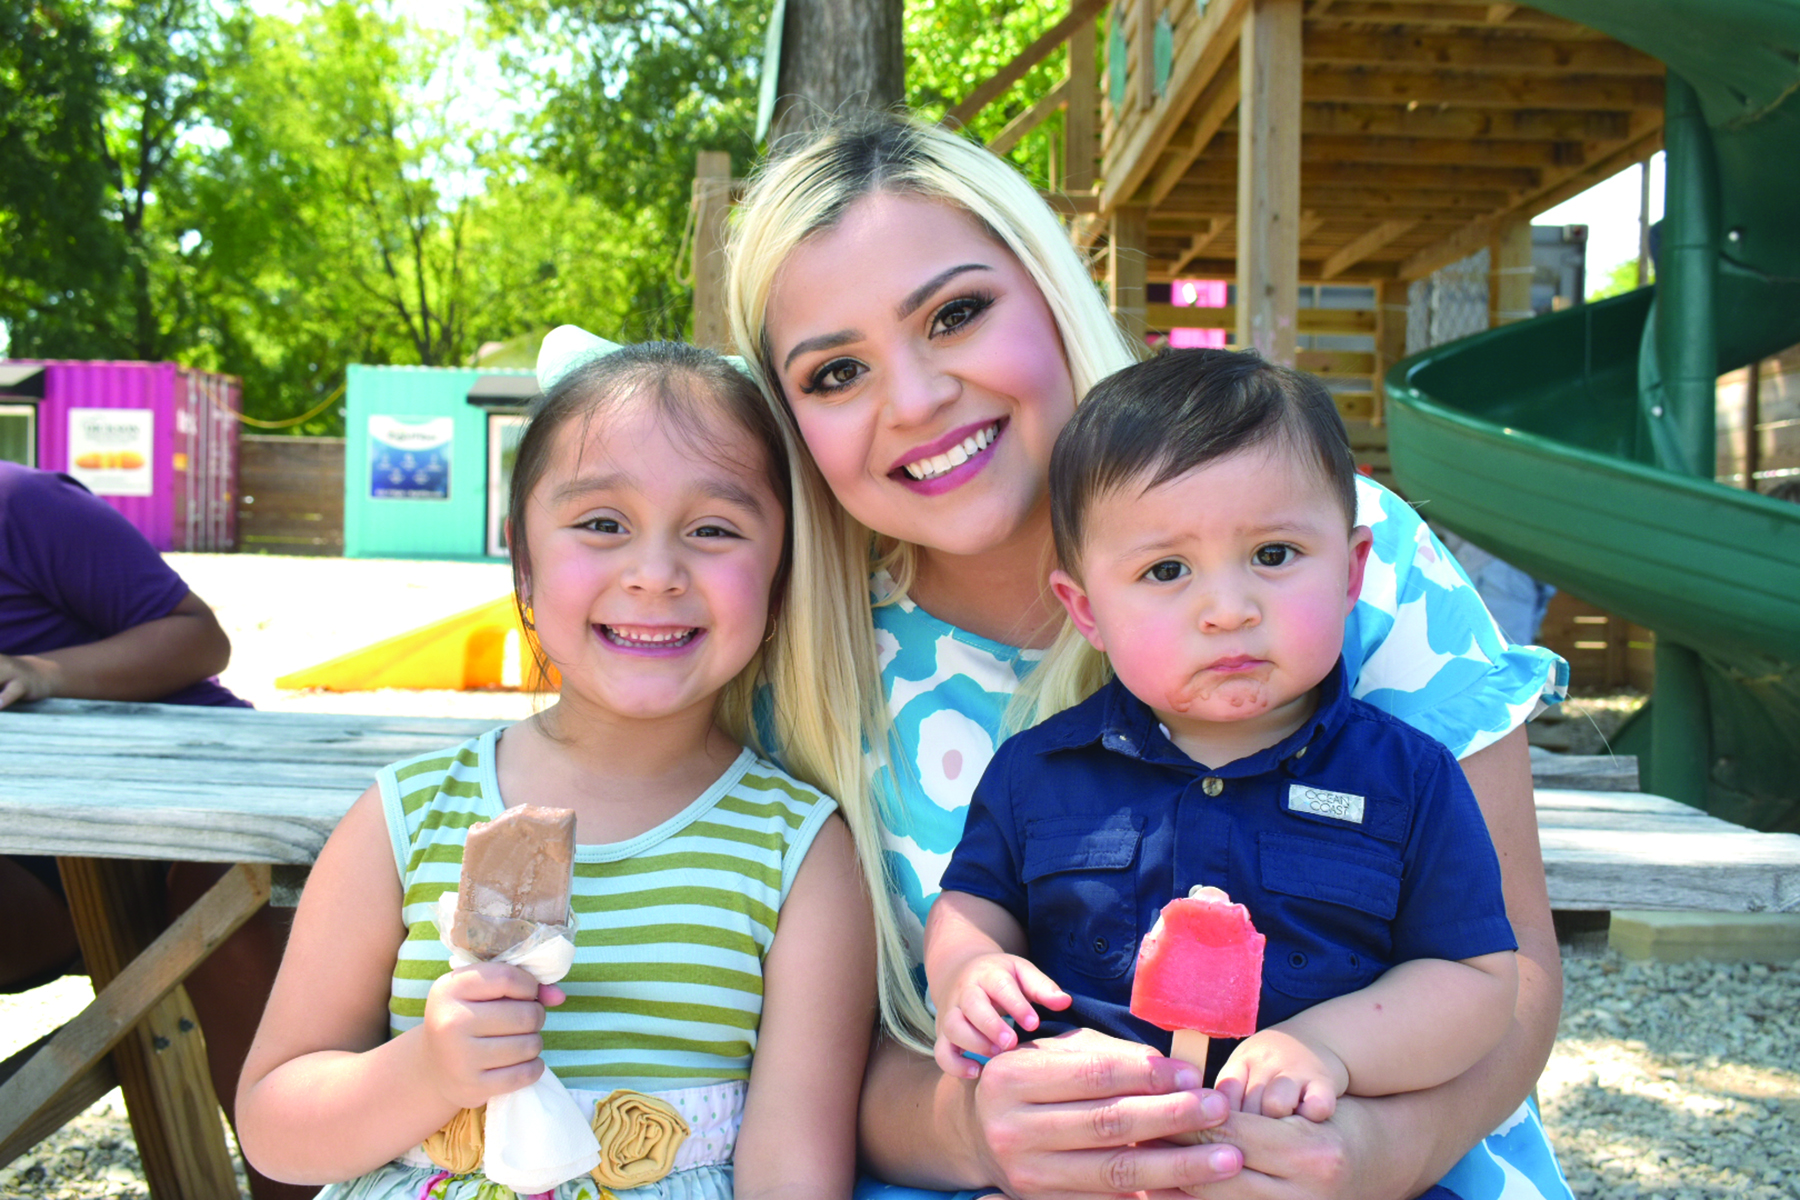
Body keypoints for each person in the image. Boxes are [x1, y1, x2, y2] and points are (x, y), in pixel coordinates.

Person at [721, 110, 1574, 1200]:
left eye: (957, 313)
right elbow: (818, 1083)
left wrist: (1377, 1155)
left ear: (1050, 289)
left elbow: (1514, 976)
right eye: (836, 373)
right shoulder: (807, 682)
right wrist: (978, 1130)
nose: (917, 398)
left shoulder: (1343, 558)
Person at [235, 340, 880, 1200]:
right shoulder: (409, 817)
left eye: (714, 529)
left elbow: (794, 1168)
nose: (655, 574)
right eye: (602, 524)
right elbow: (275, 1128)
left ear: (780, 570)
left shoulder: (797, 852)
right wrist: (428, 1072)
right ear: (523, 562)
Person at [925, 350, 1519, 1152]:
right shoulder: (1039, 774)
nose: (1228, 610)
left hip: (1304, 1165)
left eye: (1273, 556)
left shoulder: (1410, 782)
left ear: (1350, 574)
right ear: (1088, 610)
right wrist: (969, 969)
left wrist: (1333, 1048)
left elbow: (1476, 982)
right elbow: (972, 903)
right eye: (1167, 570)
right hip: (1087, 1160)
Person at [0, 460, 309, 1200]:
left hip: (190, 816)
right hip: (35, 852)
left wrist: (42, 672)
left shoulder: (20, 503)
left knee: (227, 903)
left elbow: (198, 637)